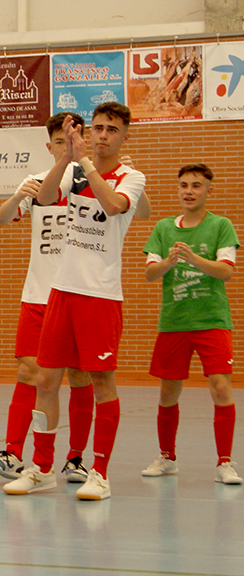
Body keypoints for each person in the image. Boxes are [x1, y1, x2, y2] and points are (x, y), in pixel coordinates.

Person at [3, 102, 146, 501]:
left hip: (100, 294)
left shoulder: (131, 177)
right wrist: (66, 157)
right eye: (97, 127)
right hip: (61, 291)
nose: (102, 135)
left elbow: (114, 206)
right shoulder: (72, 169)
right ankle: (42, 468)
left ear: (124, 135)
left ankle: (99, 473)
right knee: (46, 380)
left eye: (111, 129)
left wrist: (87, 164)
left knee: (102, 381)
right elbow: (46, 198)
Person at [0, 113, 96, 483]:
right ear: (51, 147)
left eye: (73, 139)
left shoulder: (95, 182)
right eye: (60, 142)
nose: (67, 146)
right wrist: (17, 195)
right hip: (38, 295)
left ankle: (75, 458)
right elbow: (1, 219)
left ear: (84, 142)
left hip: (80, 294)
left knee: (79, 377)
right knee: (29, 372)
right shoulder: (36, 184)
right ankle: (13, 452)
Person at [140, 163, 240, 485]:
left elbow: (226, 271)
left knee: (220, 387)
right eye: (183, 185)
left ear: (209, 190)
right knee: (169, 391)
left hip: (211, 319)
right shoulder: (163, 228)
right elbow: (149, 272)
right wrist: (167, 263)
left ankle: (224, 461)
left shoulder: (221, 226)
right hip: (174, 321)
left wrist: (194, 259)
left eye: (196, 185)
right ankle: (167, 456)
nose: (189, 191)